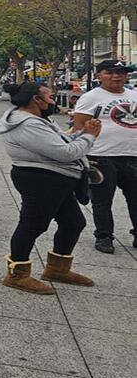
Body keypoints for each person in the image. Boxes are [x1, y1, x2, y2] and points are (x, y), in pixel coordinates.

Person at [0, 82, 99, 293]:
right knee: (33, 225)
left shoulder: (39, 119)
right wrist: (90, 136)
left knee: (73, 222)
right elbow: (66, 153)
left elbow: (60, 142)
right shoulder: (28, 124)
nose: (53, 101)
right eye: (50, 97)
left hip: (55, 178)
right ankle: (17, 274)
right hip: (40, 179)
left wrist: (82, 133)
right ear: (36, 100)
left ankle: (57, 269)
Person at [72, 59, 137, 254]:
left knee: (135, 199)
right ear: (99, 75)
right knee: (102, 200)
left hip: (132, 155)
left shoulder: (134, 95)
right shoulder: (91, 97)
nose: (116, 76)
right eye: (110, 72)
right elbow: (80, 125)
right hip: (102, 156)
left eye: (120, 72)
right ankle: (104, 236)